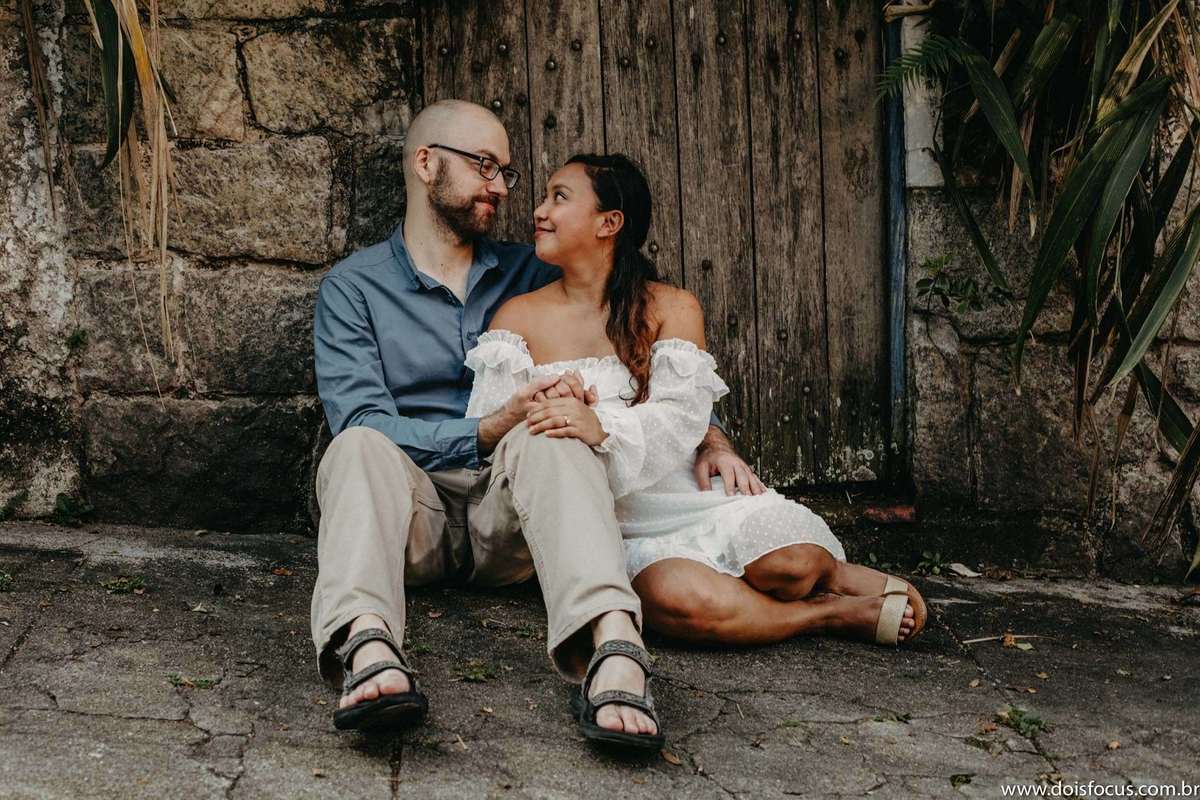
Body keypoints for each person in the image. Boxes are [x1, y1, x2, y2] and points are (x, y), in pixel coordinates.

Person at [309, 100, 760, 749]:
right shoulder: (353, 289)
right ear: (426, 163)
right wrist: (487, 427)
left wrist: (709, 432)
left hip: (515, 519)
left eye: (506, 172)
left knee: (551, 425)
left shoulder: (535, 270)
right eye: (485, 165)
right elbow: (363, 418)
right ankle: (368, 645)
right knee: (353, 444)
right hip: (410, 519)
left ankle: (614, 649)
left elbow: (639, 329)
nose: (500, 186)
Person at [463, 153, 929, 655]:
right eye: (544, 197)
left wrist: (600, 424)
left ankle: (834, 575)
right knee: (686, 604)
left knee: (791, 565)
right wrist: (542, 405)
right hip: (616, 523)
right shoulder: (518, 317)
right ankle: (826, 614)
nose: (539, 211)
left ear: (609, 223)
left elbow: (679, 417)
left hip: (684, 491)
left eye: (559, 197)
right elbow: (490, 436)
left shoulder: (671, 306)